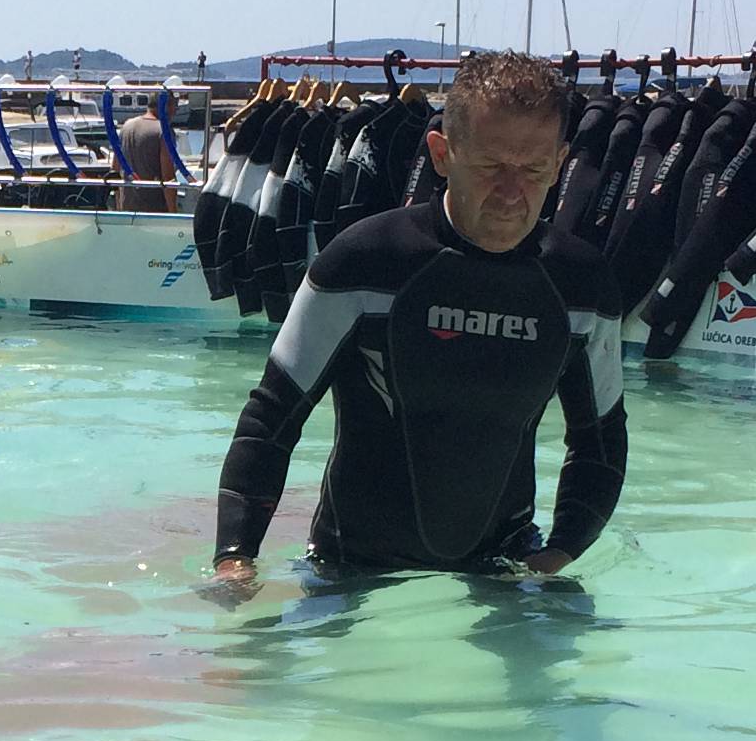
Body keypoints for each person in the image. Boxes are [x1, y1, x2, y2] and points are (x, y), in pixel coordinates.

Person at [212, 48, 627, 582]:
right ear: (441, 153)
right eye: (490, 166)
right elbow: (271, 419)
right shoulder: (363, 262)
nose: (511, 192)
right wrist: (234, 561)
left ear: (561, 161)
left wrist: (559, 554)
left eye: (533, 169)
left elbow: (600, 440)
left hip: (501, 572)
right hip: (352, 570)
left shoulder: (582, 287)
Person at [118, 96, 177, 211]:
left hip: (128, 208)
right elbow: (168, 177)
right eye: (174, 106)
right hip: (154, 209)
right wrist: (173, 214)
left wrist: (119, 207)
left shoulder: (126, 126)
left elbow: (115, 168)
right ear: (166, 106)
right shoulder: (163, 131)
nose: (174, 111)